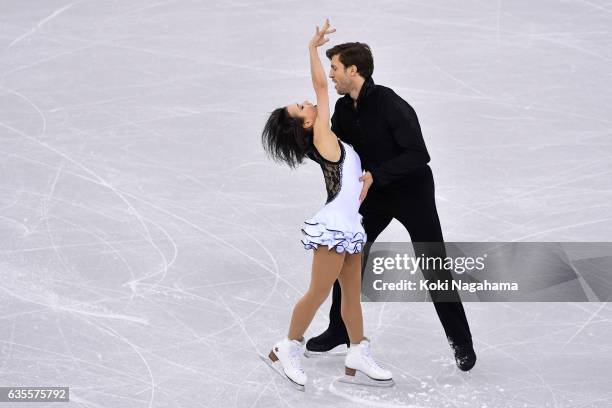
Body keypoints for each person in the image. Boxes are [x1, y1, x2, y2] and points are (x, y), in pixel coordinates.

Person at [304, 41, 478, 371]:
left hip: (412, 191)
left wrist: (377, 175)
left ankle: (461, 341)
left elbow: (418, 155)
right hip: (377, 192)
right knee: (348, 254)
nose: (332, 75)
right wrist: (306, 142)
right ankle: (339, 329)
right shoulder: (344, 110)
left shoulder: (390, 104)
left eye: (336, 69)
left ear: (353, 71)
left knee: (434, 264)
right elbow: (334, 149)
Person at [260, 19, 393, 391]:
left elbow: (351, 177)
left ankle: (356, 352)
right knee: (319, 293)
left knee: (351, 294)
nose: (309, 103)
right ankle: (286, 348)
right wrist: (312, 49)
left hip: (349, 223)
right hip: (335, 225)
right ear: (304, 124)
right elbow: (322, 85)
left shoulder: (328, 137)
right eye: (302, 107)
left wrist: (365, 178)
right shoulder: (320, 134)